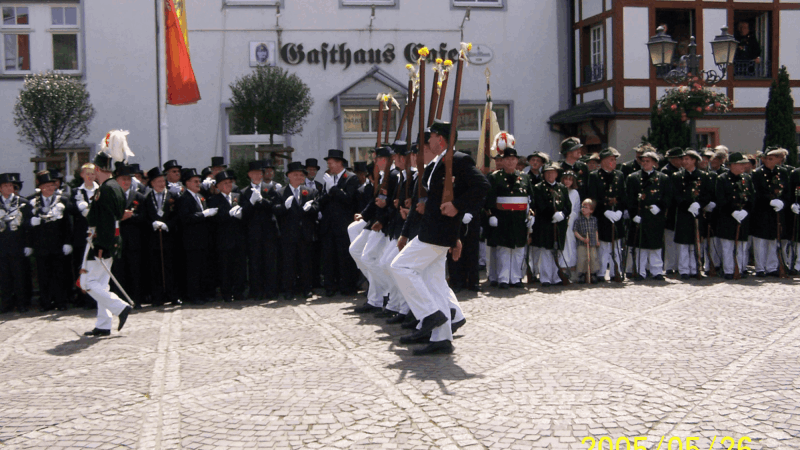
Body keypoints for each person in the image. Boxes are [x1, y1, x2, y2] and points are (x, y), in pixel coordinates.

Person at [390, 120, 490, 355]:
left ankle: (429, 314)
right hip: (435, 231)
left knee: (400, 266)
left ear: (441, 139)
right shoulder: (438, 163)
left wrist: (458, 206)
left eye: (432, 137)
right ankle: (442, 337)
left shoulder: (458, 160)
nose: (429, 141)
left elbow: (482, 185)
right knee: (435, 284)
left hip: (436, 233)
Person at [81, 149, 132, 337]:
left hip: (102, 240)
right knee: (101, 284)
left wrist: (101, 244)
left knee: (88, 282)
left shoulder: (105, 189)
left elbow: (106, 220)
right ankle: (104, 324)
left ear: (96, 168)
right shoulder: (116, 186)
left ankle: (120, 307)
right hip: (111, 239)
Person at [485, 143, 532, 289]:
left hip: (519, 219)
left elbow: (530, 199)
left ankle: (516, 278)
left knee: (518, 249)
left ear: (517, 161)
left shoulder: (524, 177)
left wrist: (531, 215)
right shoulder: (495, 177)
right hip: (502, 219)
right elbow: (489, 198)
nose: (510, 162)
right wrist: (491, 215)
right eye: (507, 159)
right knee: (503, 250)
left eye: (513, 159)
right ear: (503, 161)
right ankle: (503, 278)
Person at [28, 171, 72, 311]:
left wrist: (67, 242)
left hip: (58, 244)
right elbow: (26, 225)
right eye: (46, 186)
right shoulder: (32, 201)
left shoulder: (63, 200)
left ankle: (61, 302)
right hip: (41, 245)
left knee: (59, 274)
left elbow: (68, 223)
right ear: (40, 187)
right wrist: (30, 224)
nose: (50, 188)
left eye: (52, 185)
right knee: (43, 275)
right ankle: (45, 303)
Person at [274, 161, 319, 299]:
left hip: (305, 233)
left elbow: (317, 207)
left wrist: (310, 208)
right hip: (288, 234)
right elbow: (275, 209)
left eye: (301, 175)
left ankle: (307, 289)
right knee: (289, 263)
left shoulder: (310, 191)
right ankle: (289, 289)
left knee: (305, 262)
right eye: (296, 174)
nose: (299, 177)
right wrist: (284, 207)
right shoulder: (280, 192)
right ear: (289, 176)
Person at [318, 149, 360, 296]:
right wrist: (328, 191)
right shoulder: (329, 178)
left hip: (343, 224)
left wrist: (334, 188)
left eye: (331, 163)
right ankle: (330, 286)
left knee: (344, 257)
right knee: (329, 257)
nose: (329, 166)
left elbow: (349, 199)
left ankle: (347, 286)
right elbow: (322, 200)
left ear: (339, 163)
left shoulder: (351, 178)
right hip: (328, 225)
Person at [625, 150, 671, 281]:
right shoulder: (633, 177)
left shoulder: (663, 178)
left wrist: (660, 207)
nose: (644, 163)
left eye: (648, 161)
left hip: (655, 217)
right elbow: (630, 198)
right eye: (643, 161)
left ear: (654, 163)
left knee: (655, 245)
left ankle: (657, 271)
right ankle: (641, 271)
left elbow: (668, 196)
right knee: (641, 246)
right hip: (640, 215)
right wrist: (633, 214)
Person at [241, 160, 280, 300]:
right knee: (254, 263)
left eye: (259, 173)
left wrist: (262, 200)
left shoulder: (270, 189)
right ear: (249, 175)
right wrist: (251, 202)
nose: (257, 176)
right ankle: (256, 291)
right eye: (254, 173)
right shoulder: (243, 192)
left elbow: (274, 207)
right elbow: (243, 213)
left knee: (270, 262)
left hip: (269, 232)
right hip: (253, 233)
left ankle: (271, 290)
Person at [178, 168, 218, 304]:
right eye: (195, 181)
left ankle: (203, 293)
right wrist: (203, 214)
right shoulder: (184, 198)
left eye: (198, 181)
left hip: (203, 239)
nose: (198, 184)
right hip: (192, 241)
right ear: (187, 183)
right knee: (193, 270)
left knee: (203, 268)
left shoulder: (200, 196)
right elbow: (185, 218)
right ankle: (193, 296)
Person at [671, 149, 712, 279]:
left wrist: (699, 204)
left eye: (687, 159)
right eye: (683, 159)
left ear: (694, 160)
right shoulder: (677, 176)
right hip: (684, 213)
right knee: (683, 243)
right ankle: (684, 269)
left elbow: (708, 194)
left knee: (696, 241)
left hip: (697, 212)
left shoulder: (703, 176)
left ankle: (695, 268)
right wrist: (687, 205)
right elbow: (676, 195)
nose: (684, 161)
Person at [143, 166, 181, 307]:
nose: (161, 184)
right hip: (153, 239)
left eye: (163, 181)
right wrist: (151, 223)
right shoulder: (147, 198)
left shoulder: (173, 196)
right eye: (158, 181)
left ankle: (173, 295)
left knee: (171, 267)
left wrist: (168, 225)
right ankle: (157, 297)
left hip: (169, 237)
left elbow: (177, 215)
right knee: (155, 268)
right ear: (152, 183)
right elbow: (144, 217)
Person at [750, 146, 790, 277]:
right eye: (768, 158)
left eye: (773, 158)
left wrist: (782, 202)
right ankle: (760, 267)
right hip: (762, 212)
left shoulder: (782, 172)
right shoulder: (757, 173)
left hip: (776, 212)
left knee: (774, 240)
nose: (769, 161)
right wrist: (769, 200)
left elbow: (787, 190)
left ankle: (772, 267)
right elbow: (756, 192)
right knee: (760, 241)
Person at [587, 147, 626, 281]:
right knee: (603, 247)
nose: (613, 162)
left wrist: (620, 210)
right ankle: (601, 272)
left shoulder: (619, 175)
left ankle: (616, 272)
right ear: (603, 161)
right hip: (602, 216)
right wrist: (604, 211)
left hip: (616, 215)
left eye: (614, 160)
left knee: (617, 246)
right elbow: (593, 196)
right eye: (611, 159)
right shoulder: (594, 176)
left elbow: (623, 195)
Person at [208, 170, 247, 302]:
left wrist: (242, 214)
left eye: (230, 182)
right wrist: (227, 214)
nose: (228, 185)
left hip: (239, 238)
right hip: (223, 239)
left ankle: (239, 292)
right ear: (218, 186)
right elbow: (214, 219)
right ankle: (226, 293)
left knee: (239, 267)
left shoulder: (237, 196)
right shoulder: (213, 200)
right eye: (225, 183)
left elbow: (246, 213)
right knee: (225, 268)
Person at [530, 163, 571, 287]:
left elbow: (568, 205)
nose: (550, 175)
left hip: (560, 224)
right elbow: (539, 205)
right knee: (547, 251)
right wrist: (552, 215)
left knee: (557, 251)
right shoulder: (538, 188)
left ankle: (556, 277)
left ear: (556, 174)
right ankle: (546, 278)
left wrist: (562, 214)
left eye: (552, 172)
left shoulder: (562, 188)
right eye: (547, 173)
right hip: (545, 224)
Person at [715, 152, 755, 279]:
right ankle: (729, 270)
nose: (744, 166)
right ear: (732, 165)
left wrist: (746, 211)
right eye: (740, 164)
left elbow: (752, 197)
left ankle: (741, 268)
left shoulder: (747, 178)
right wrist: (732, 211)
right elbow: (721, 199)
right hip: (728, 217)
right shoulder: (722, 179)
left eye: (744, 164)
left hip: (743, 216)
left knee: (742, 246)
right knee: (728, 246)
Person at [112, 163, 146, 306]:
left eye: (128, 179)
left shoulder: (138, 196)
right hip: (116, 239)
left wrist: (132, 216)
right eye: (123, 179)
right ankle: (120, 301)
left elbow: (145, 218)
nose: (126, 182)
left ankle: (136, 299)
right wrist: (119, 216)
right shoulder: (110, 196)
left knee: (135, 270)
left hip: (134, 240)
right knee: (119, 271)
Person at [0, 173, 30, 313]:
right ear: (0, 188)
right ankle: (6, 304)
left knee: (19, 276)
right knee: (4, 277)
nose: (9, 188)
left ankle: (21, 303)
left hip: (18, 245)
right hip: (1, 246)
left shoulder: (22, 202)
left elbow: (27, 226)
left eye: (11, 185)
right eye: (5, 185)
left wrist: (28, 244)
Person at [70, 163, 99, 308]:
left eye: (93, 173)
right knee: (82, 266)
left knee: (96, 266)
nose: (90, 176)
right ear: (82, 175)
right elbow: (71, 210)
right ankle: (83, 298)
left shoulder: (100, 190)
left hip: (97, 234)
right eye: (87, 173)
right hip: (82, 235)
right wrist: (79, 208)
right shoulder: (76, 191)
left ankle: (97, 297)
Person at [574, 199, 600, 283]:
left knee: (593, 258)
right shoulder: (578, 220)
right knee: (582, 259)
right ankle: (582, 274)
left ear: (591, 210)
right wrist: (582, 239)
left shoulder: (594, 220)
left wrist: (597, 240)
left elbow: (596, 231)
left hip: (592, 243)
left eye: (585, 207)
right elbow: (575, 231)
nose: (583, 209)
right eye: (582, 207)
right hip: (582, 243)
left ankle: (593, 274)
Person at [561, 170, 581, 272]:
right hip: (561, 219)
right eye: (566, 179)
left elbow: (576, 209)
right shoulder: (559, 190)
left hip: (571, 221)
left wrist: (573, 220)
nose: (567, 181)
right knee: (563, 242)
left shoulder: (575, 193)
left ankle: (571, 265)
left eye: (570, 180)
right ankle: (562, 265)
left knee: (571, 242)